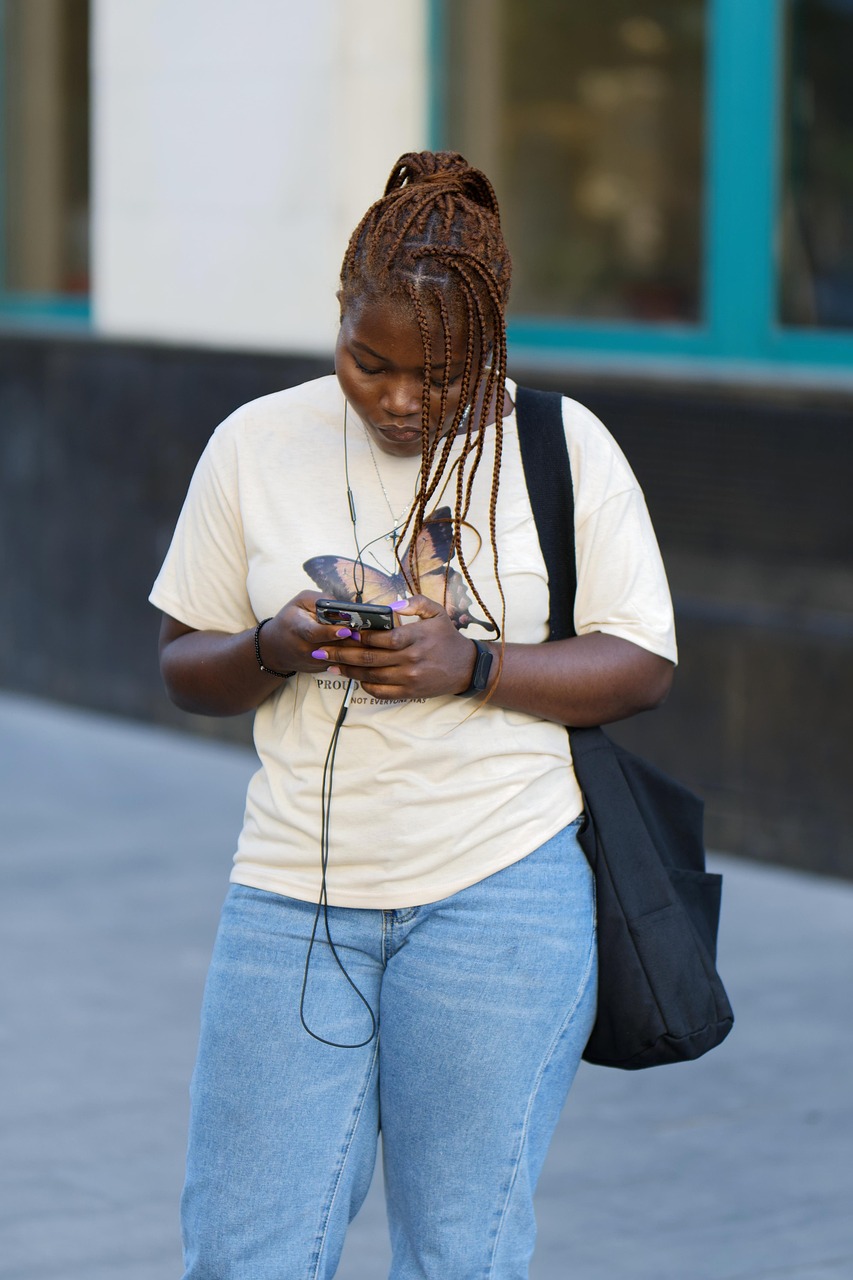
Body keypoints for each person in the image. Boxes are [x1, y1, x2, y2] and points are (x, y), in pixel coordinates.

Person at [150, 150, 677, 1279]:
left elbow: (640, 661)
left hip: (502, 892)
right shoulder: (254, 441)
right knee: (243, 1250)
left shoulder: (563, 446)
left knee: (459, 1256)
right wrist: (270, 646)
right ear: (338, 321)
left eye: (439, 376)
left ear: (490, 341)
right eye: (367, 361)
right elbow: (182, 663)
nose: (398, 399)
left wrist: (470, 665)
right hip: (292, 895)